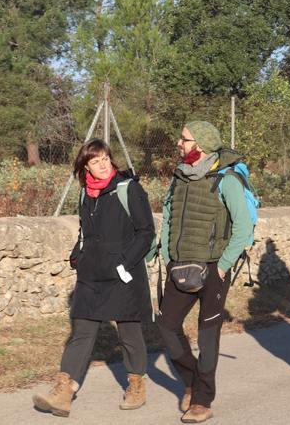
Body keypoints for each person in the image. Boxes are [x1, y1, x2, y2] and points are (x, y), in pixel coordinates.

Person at [33, 139, 155, 418]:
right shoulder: (85, 193)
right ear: (85, 166)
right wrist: (77, 254)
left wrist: (125, 263)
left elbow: (146, 231)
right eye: (95, 160)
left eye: (105, 158)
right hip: (92, 275)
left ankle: (136, 384)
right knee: (82, 332)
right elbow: (85, 232)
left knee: (129, 333)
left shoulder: (128, 189)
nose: (102, 164)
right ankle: (63, 391)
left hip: (123, 275)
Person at [156, 121, 253, 423]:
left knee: (207, 336)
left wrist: (223, 266)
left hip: (213, 268)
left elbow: (244, 228)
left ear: (201, 145)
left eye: (185, 139)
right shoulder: (180, 177)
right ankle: (192, 378)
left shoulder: (227, 180)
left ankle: (202, 400)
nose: (179, 143)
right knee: (166, 327)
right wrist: (165, 255)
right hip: (180, 266)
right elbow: (169, 217)